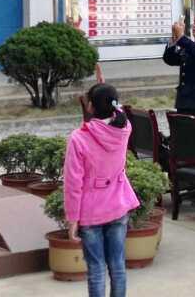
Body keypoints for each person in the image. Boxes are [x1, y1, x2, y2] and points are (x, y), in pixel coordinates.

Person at [64, 83, 139, 297]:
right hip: (118, 205)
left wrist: (72, 219)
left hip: (91, 212)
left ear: (90, 106)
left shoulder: (79, 138)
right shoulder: (124, 128)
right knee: (118, 265)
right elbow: (118, 109)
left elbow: (73, 183)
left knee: (96, 270)